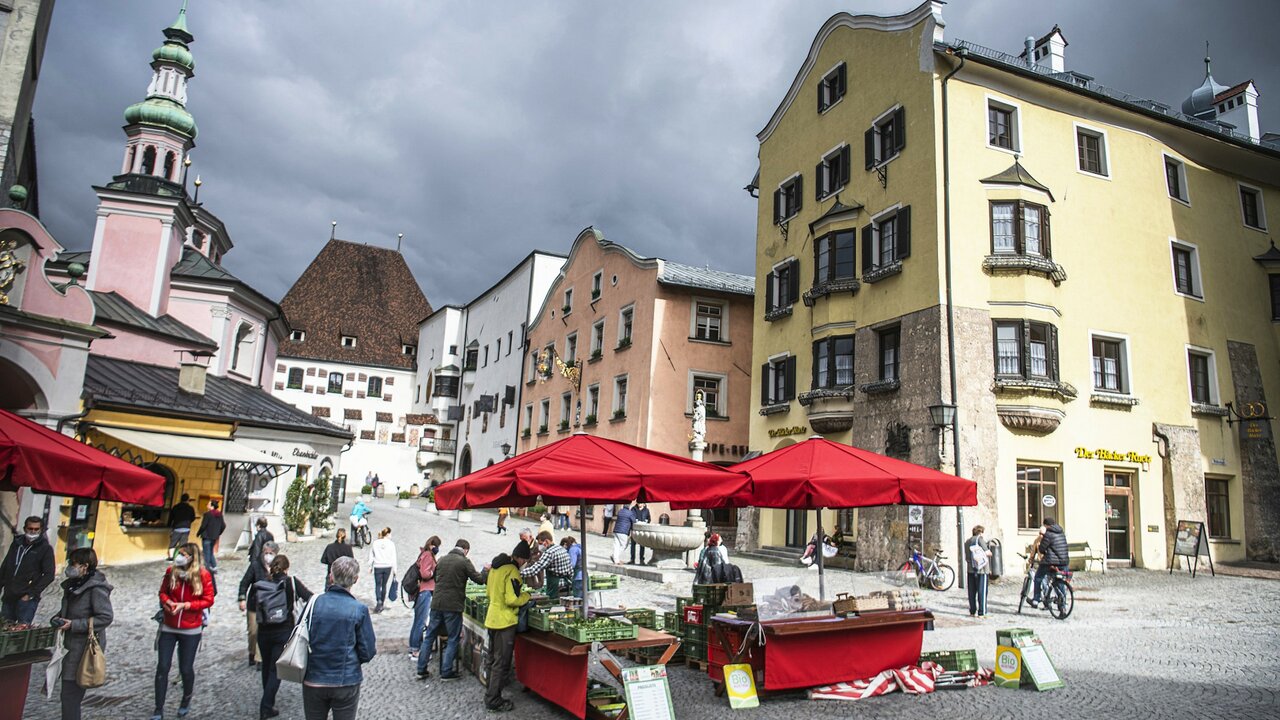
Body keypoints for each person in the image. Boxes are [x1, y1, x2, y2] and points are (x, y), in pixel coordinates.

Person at [304, 556, 376, 720]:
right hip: (345, 679)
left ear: (331, 577)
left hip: (314, 677)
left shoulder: (313, 604)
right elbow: (368, 651)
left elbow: (301, 635)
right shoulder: (359, 609)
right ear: (356, 580)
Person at [153, 543, 216, 720]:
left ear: (191, 557)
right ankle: (158, 708)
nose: (179, 557)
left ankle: (185, 699)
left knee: (186, 668)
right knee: (163, 667)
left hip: (191, 628)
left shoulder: (203, 575)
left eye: (183, 554)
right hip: (169, 625)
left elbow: (208, 600)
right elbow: (162, 592)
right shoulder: (171, 571)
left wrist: (186, 605)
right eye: (179, 553)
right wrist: (168, 603)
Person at [52, 547, 112, 720]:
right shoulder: (74, 585)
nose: (70, 566)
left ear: (85, 566)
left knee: (70, 696)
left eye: (74, 563)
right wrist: (59, 617)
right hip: (71, 646)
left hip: (85, 649)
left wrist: (74, 625)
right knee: (68, 696)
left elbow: (106, 617)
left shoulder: (96, 588)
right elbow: (71, 609)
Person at [417, 539, 487, 679]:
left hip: (437, 603)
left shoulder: (442, 559)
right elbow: (479, 579)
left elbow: (436, 578)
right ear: (466, 550)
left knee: (429, 636)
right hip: (453, 605)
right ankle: (446, 671)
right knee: (453, 638)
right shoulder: (464, 562)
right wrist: (486, 570)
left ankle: (421, 669)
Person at [255, 555, 313, 720]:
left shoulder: (261, 584)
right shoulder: (291, 582)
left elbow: (253, 604)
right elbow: (310, 597)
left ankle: (269, 699)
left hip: (263, 631)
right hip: (283, 631)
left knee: (267, 666)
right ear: (287, 568)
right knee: (276, 669)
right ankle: (266, 706)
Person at [483, 546, 530, 713]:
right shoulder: (512, 571)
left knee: (491, 659)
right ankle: (494, 700)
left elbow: (488, 593)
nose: (524, 563)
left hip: (492, 618)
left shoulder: (496, 567)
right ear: (522, 559)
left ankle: (489, 693)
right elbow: (511, 599)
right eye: (525, 560)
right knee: (501, 663)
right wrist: (526, 597)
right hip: (505, 621)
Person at [0, 515, 55, 623]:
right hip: (9, 595)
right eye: (30, 528)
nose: (33, 531)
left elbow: (49, 575)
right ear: (25, 528)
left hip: (26, 599)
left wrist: (31, 594)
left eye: (36, 529)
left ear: (41, 530)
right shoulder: (16, 544)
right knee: (4, 627)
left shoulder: (45, 549)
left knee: (22, 631)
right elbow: (5, 566)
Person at [238, 540, 280, 667]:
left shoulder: (278, 566)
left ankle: (260, 658)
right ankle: (252, 652)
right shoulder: (255, 565)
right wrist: (242, 599)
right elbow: (244, 583)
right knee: (253, 631)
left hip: (270, 606)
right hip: (254, 604)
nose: (267, 555)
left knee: (265, 632)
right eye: (265, 552)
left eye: (270, 553)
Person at [409, 536, 441, 659]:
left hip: (422, 591)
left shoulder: (423, 553)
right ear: (433, 545)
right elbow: (425, 573)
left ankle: (413, 647)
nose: (438, 549)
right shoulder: (428, 555)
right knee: (421, 621)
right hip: (425, 590)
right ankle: (416, 650)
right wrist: (434, 572)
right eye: (437, 546)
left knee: (418, 620)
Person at [519, 531, 574, 600]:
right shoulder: (561, 549)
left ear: (547, 541)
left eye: (541, 544)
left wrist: (520, 573)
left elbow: (535, 569)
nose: (539, 546)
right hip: (566, 584)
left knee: (552, 603)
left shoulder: (549, 552)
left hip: (555, 586)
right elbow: (571, 569)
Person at [1029, 517, 1068, 609]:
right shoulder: (1061, 533)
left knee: (1038, 577)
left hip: (1051, 561)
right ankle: (1062, 605)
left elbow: (1041, 549)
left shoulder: (1048, 534)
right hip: (1064, 562)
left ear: (1046, 525)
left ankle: (1036, 599)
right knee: (1060, 582)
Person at [964, 525, 993, 618]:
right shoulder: (980, 539)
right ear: (980, 532)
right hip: (982, 569)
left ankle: (972, 611)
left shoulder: (967, 542)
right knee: (982, 591)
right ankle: (982, 612)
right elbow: (988, 552)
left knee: (971, 591)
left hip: (970, 569)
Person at [368, 527, 397, 613]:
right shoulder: (391, 544)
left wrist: (370, 566)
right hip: (387, 566)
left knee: (377, 585)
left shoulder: (376, 543)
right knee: (384, 585)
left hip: (378, 565)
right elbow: (393, 557)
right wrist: (395, 569)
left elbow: (371, 555)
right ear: (387, 534)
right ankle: (382, 602)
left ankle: (378, 601)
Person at [195, 499, 226, 574]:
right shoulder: (219, 514)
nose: (207, 506)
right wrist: (218, 533)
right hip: (214, 537)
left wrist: (198, 533)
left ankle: (207, 568)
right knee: (210, 552)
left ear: (212, 506)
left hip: (207, 536)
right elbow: (223, 525)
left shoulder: (208, 514)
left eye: (208, 504)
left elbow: (203, 526)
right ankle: (214, 567)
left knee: (206, 553)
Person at [168, 494, 197, 559]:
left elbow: (171, 517)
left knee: (173, 543)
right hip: (186, 528)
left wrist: (169, 525)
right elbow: (193, 518)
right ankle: (181, 557)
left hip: (177, 528)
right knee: (183, 544)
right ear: (187, 500)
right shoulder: (190, 508)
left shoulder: (175, 507)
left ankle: (171, 557)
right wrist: (188, 523)